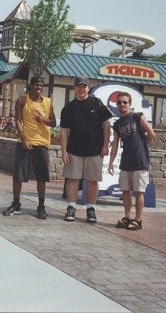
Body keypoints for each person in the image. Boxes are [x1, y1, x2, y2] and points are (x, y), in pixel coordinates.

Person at [60, 76, 112, 223]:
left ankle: (91, 209)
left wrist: (105, 145)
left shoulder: (97, 103)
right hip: (74, 150)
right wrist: (63, 151)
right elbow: (64, 130)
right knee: (72, 179)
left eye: (84, 86)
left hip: (95, 150)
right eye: (79, 86)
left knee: (93, 181)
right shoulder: (69, 107)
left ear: (88, 88)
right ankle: (71, 208)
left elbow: (106, 124)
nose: (81, 89)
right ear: (74, 88)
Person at [3, 75, 56, 219]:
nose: (38, 88)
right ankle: (16, 204)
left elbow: (53, 122)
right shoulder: (22, 100)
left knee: (41, 177)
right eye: (36, 85)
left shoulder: (48, 102)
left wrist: (43, 119)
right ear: (31, 85)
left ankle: (41, 206)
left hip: (42, 143)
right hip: (25, 143)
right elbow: (18, 121)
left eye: (41, 86)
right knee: (18, 176)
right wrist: (23, 139)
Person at [108, 91, 155, 231]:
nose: (122, 104)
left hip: (140, 161)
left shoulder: (137, 117)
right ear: (117, 105)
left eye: (125, 102)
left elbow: (151, 133)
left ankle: (138, 219)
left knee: (139, 192)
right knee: (125, 191)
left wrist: (143, 146)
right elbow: (115, 144)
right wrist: (111, 162)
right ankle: (127, 217)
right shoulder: (117, 124)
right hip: (126, 161)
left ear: (130, 104)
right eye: (119, 102)